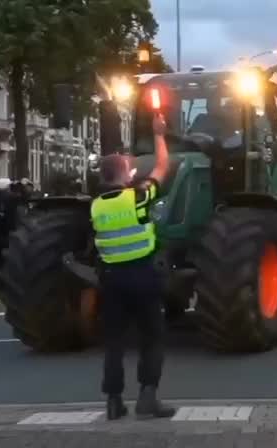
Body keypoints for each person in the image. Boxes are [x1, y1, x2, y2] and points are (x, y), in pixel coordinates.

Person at [92, 112, 172, 420]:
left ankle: (113, 401)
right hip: (143, 276)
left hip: (112, 280)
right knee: (151, 337)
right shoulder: (138, 197)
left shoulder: (97, 206)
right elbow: (163, 167)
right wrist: (159, 134)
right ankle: (147, 398)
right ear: (124, 174)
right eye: (129, 167)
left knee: (114, 343)